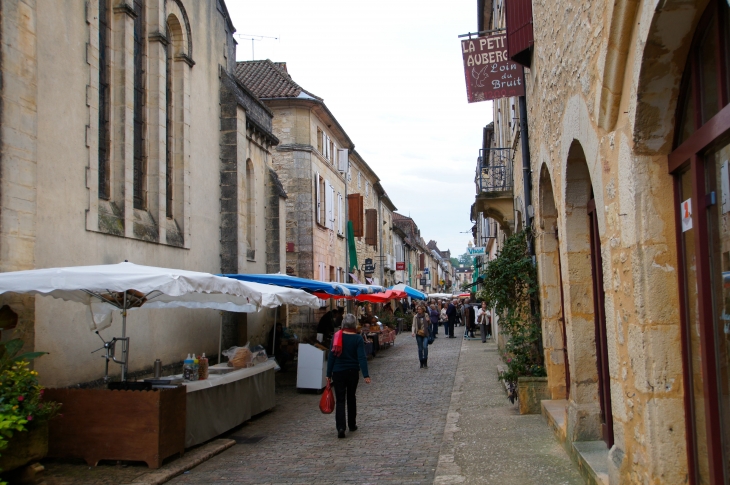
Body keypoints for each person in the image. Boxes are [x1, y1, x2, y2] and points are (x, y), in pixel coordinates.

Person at [326, 314, 371, 439]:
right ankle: (352, 424)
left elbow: (332, 356)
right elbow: (361, 357)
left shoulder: (336, 337)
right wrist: (365, 374)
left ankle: (341, 427)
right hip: (352, 371)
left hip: (338, 372)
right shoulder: (357, 338)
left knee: (340, 400)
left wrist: (328, 374)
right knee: (351, 397)